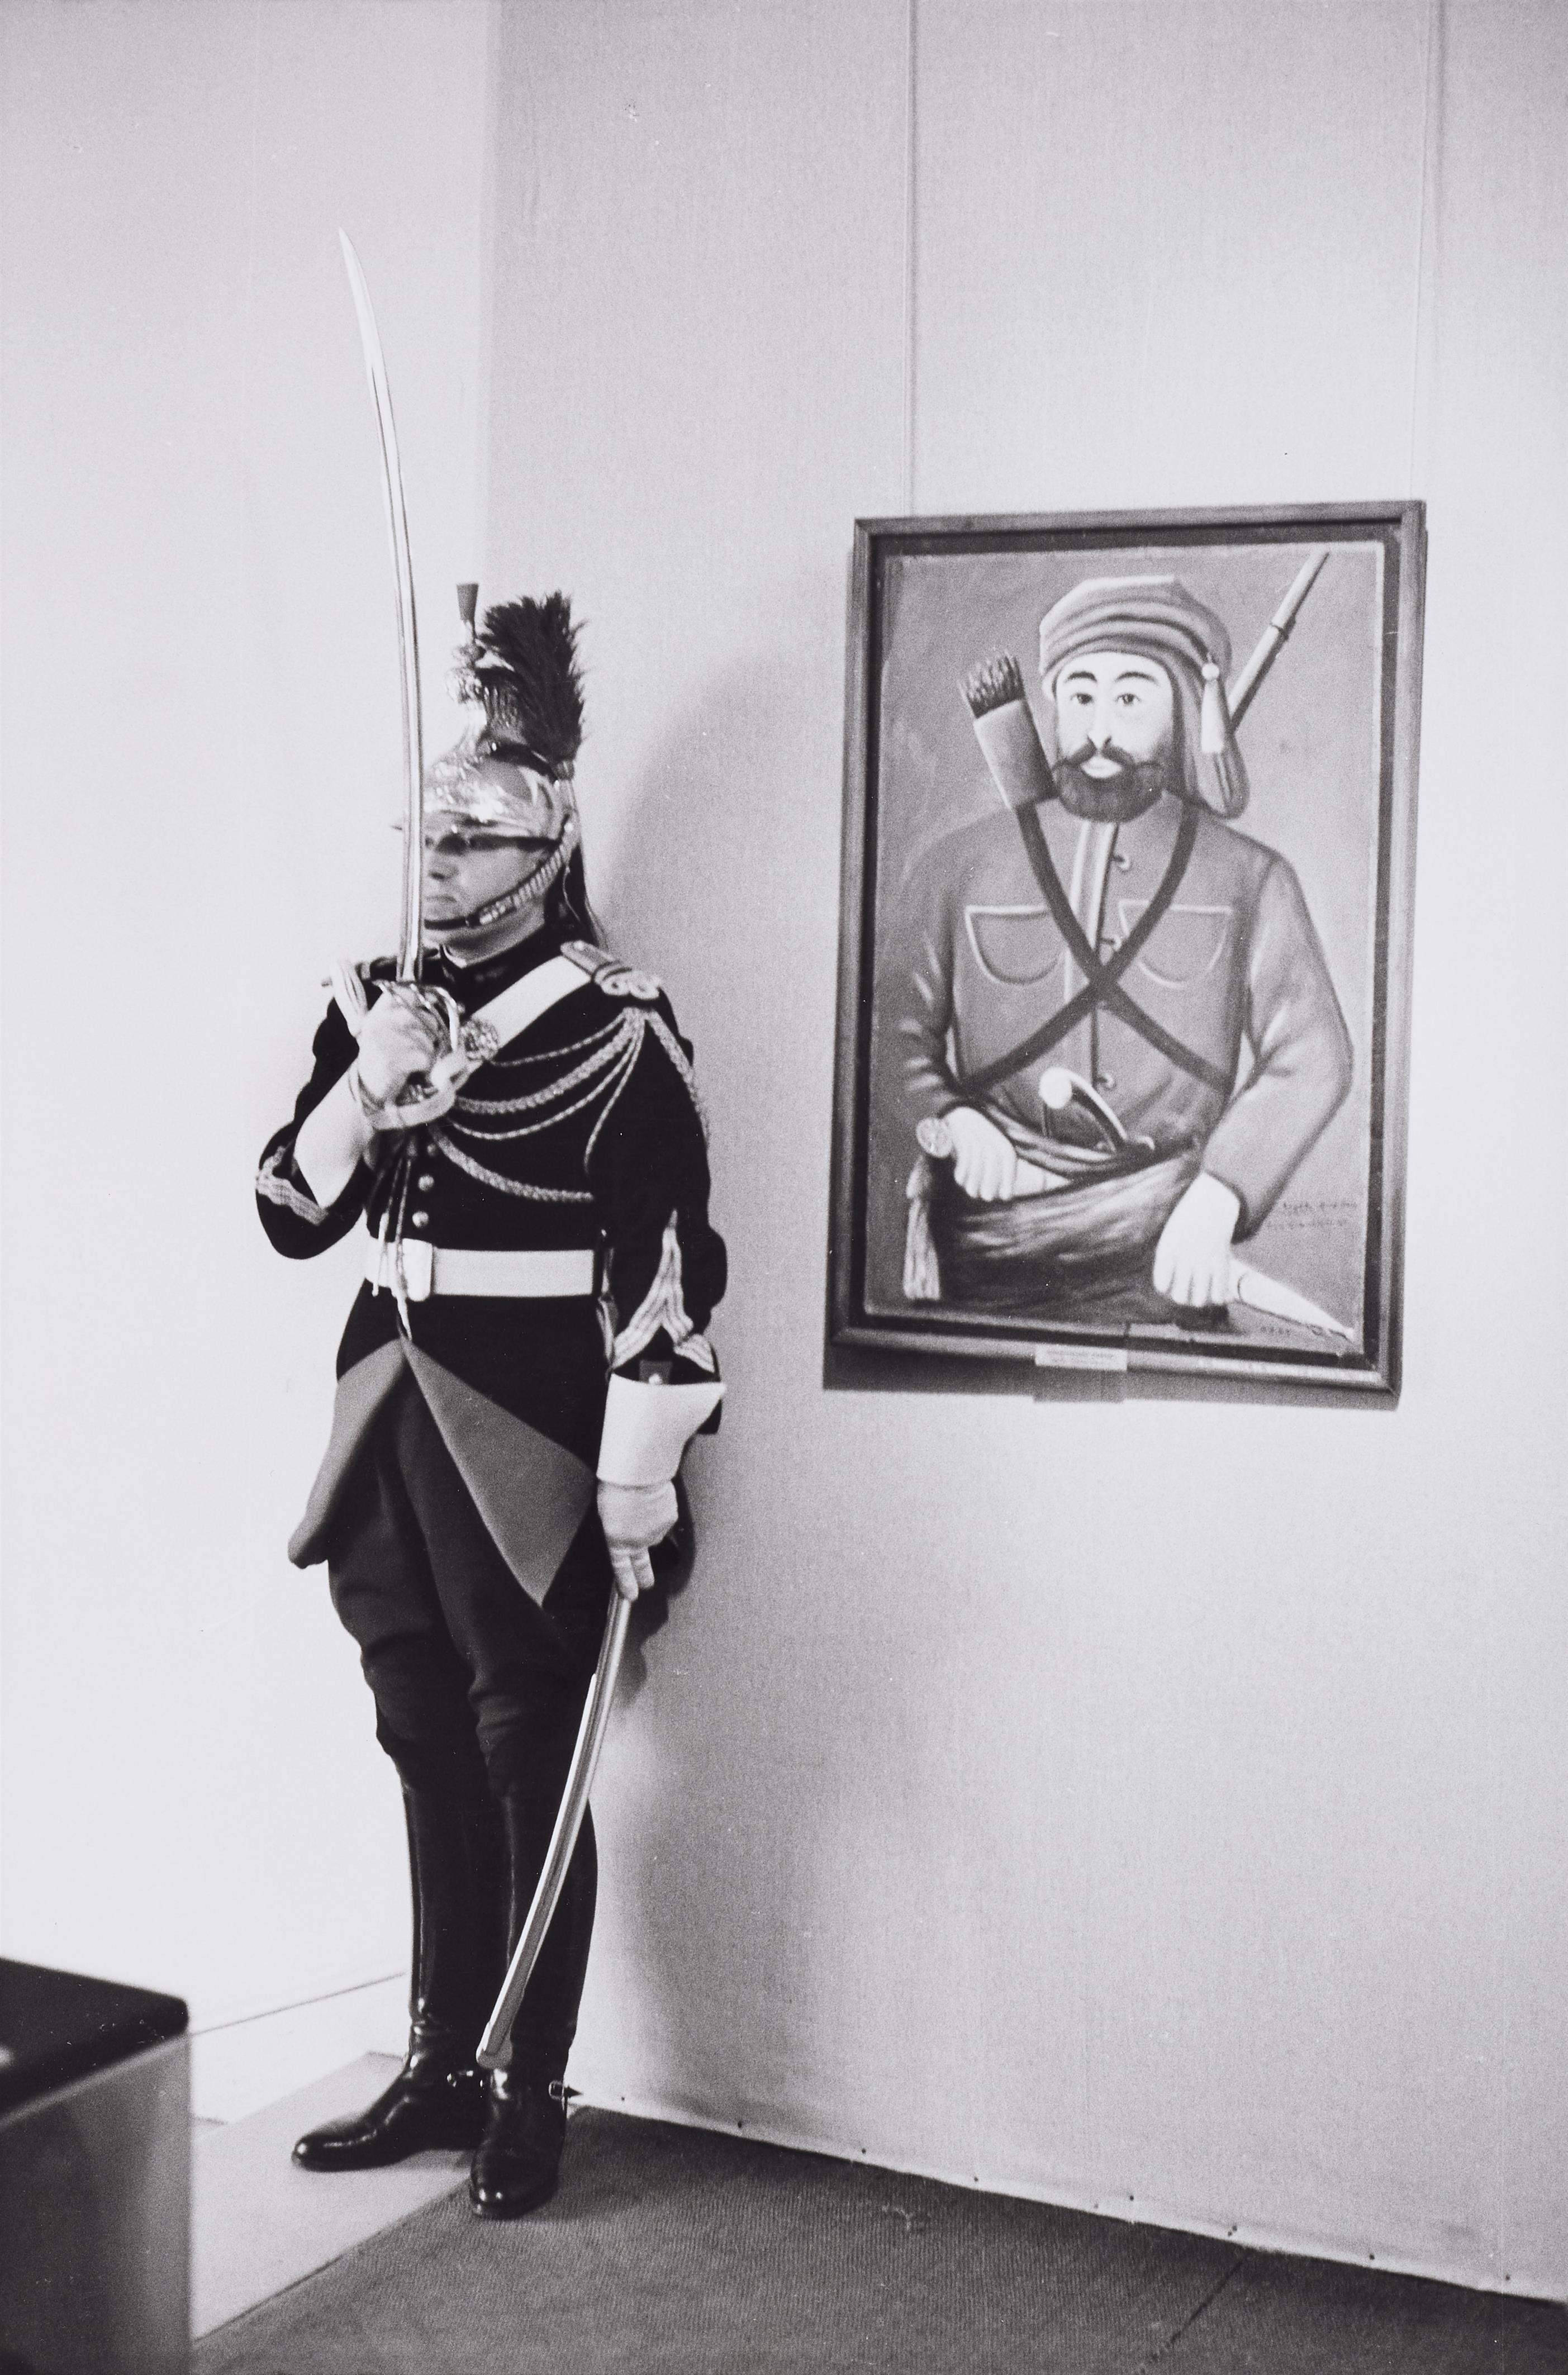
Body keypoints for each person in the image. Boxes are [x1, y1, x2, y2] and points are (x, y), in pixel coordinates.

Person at [255, 592, 725, 2218]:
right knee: (417, 1736)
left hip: (531, 1426)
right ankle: (437, 2059)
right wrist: (355, 1095)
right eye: (427, 837)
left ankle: (534, 2084)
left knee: (532, 1750)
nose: (437, 865)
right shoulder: (375, 999)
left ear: (541, 851)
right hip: (388, 1406)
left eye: (471, 840)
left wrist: (641, 1476)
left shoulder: (614, 1029)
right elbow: (285, 1214)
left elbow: (670, 1272)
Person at [890, 574, 1352, 1321]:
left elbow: (1313, 1057)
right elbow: (888, 1040)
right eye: (1079, 696)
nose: (1099, 726)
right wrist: (950, 1116)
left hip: (1167, 1247)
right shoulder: (958, 866)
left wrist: (1221, 1191)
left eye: (1129, 697)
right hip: (980, 1240)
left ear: (1180, 709)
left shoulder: (1250, 878)